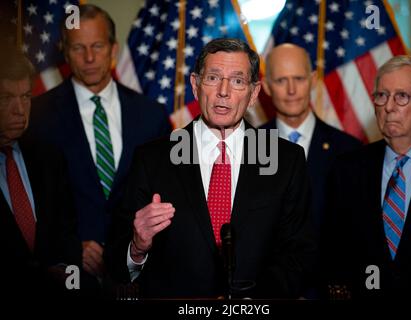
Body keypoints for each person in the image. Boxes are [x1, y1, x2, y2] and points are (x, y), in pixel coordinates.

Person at [105, 38, 317, 299]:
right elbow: (114, 260)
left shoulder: (286, 160)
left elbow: (299, 254)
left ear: (253, 94)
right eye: (213, 78)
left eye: (238, 81)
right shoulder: (153, 159)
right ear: (195, 85)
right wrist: (137, 247)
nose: (224, 91)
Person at [28, 4, 171, 285]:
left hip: (139, 275)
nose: (90, 57)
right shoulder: (37, 117)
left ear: (113, 49)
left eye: (97, 45)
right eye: (79, 48)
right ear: (65, 52)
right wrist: (69, 249)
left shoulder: (151, 115)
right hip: (69, 276)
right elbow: (31, 203)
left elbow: (166, 194)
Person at [322, 55, 411, 299]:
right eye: (381, 96)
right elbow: (333, 255)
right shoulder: (347, 169)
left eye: (401, 96)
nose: (389, 107)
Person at [0, 47, 82, 299]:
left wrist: (63, 270)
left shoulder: (48, 157)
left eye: (25, 97)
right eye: (5, 98)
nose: (19, 109)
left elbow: (67, 231)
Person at [261, 43, 361, 231]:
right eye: (281, 80)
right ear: (266, 86)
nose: (291, 90)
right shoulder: (246, 148)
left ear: (313, 80)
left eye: (299, 79)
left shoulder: (349, 151)